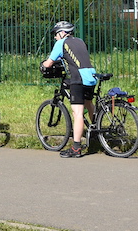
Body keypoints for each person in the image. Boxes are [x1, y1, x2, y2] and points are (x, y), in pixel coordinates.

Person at [40, 21, 96, 158]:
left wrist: (42, 66)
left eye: (56, 34)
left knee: (77, 113)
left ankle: (76, 148)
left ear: (62, 33)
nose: (55, 37)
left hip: (78, 78)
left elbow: (49, 63)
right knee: (88, 103)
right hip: (91, 76)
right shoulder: (80, 41)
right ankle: (96, 131)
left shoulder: (61, 43)